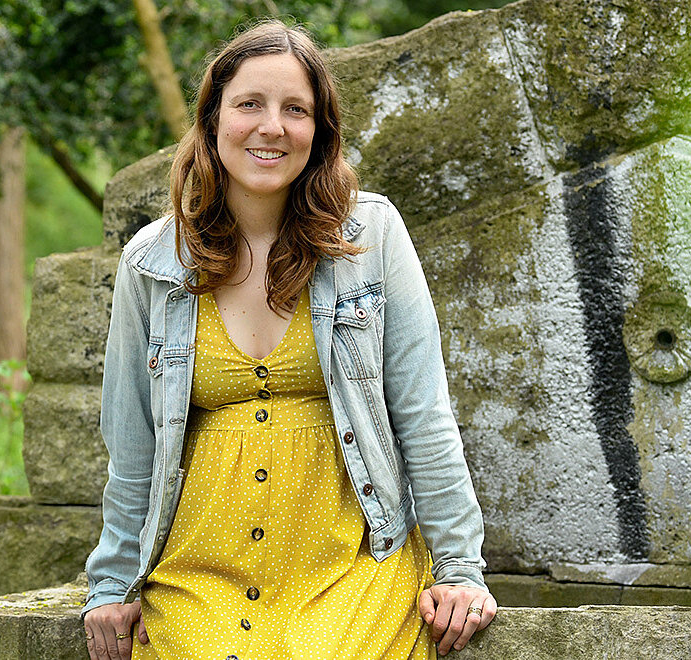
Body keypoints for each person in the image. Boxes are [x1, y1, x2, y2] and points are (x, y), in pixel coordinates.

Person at [82, 19, 495, 660]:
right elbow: (132, 443)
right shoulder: (152, 263)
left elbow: (424, 414)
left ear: (319, 131)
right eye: (250, 104)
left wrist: (460, 571)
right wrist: (112, 585)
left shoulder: (372, 236)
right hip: (200, 576)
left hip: (352, 569)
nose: (272, 127)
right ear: (213, 119)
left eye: (295, 110)